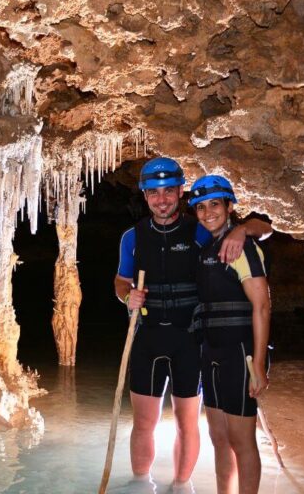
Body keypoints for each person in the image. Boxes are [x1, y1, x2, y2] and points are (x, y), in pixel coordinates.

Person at [114, 158, 271, 489]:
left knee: (188, 422)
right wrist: (128, 296)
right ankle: (140, 484)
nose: (161, 199)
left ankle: (181, 486)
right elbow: (120, 281)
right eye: (153, 193)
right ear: (144, 196)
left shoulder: (200, 230)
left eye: (168, 191)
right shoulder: (132, 237)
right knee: (144, 421)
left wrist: (243, 228)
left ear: (180, 192)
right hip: (148, 337)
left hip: (191, 341)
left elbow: (261, 228)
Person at [190, 174, 271, 494]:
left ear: (229, 206)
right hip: (210, 353)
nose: (208, 212)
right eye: (200, 207)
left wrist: (260, 364)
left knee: (242, 440)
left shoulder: (244, 247)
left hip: (241, 354)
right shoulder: (206, 247)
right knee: (219, 438)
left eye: (215, 204)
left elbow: (262, 307)